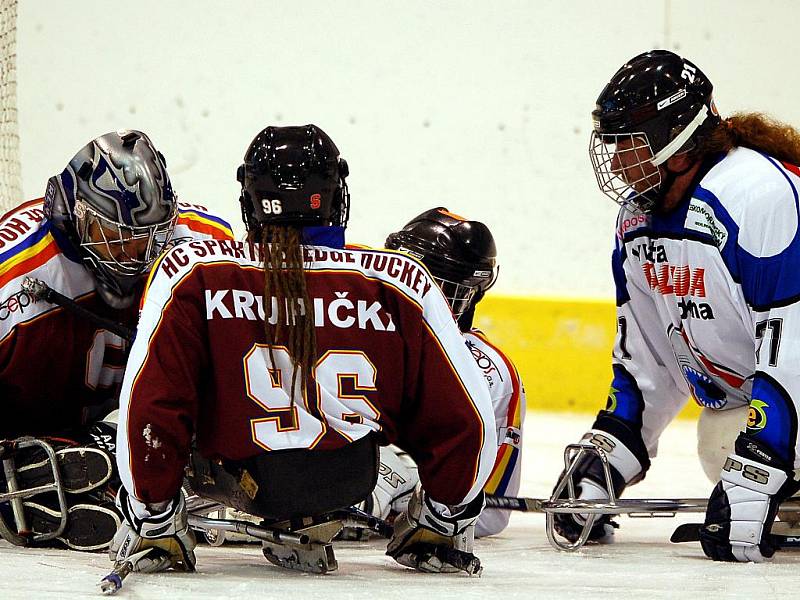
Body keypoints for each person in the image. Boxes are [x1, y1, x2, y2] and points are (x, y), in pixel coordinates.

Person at [110, 124, 497, 575]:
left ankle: (163, 524)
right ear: (337, 195)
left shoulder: (191, 272)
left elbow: (151, 407)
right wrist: (443, 517)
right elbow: (468, 419)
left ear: (250, 200)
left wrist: (152, 517)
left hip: (245, 481)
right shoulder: (401, 281)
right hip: (352, 478)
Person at [551, 49, 800, 563]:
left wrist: (760, 468)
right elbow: (651, 359)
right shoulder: (637, 222)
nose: (617, 159)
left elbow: (792, 343)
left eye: (629, 143)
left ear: (677, 140)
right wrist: (609, 454)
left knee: (744, 453)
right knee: (720, 439)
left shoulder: (756, 194)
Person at [0, 130, 233, 551]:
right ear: (75, 215)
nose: (138, 255)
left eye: (150, 238)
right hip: (33, 423)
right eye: (118, 238)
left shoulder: (204, 243)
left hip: (147, 426)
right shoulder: (13, 270)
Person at [364, 207, 524, 538]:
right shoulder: (358, 327)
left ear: (468, 293)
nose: (408, 292)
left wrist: (406, 490)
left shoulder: (490, 371)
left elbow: (490, 512)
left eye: (428, 283)